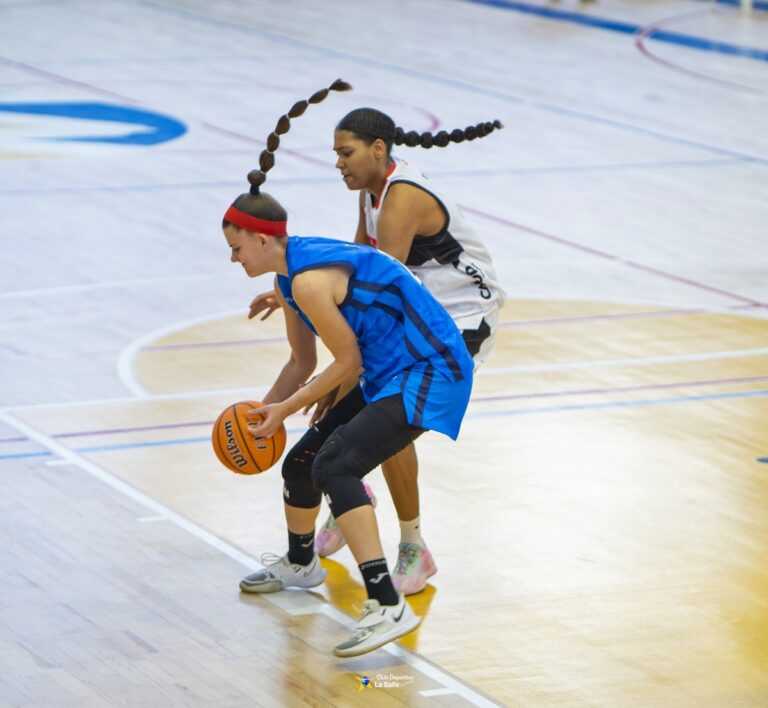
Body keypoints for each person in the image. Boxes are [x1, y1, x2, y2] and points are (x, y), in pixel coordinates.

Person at [227, 81, 474, 657]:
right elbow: (302, 362)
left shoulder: (309, 280)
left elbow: (349, 360)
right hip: (391, 369)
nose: (233, 259)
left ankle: (387, 603)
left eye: (237, 248)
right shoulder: (288, 279)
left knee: (340, 465)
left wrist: (288, 408)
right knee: (302, 462)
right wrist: (264, 412)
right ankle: (300, 563)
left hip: (429, 366)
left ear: (264, 240)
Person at [249, 106, 505, 595]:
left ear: (378, 150)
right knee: (371, 417)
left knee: (389, 417)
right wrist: (286, 289)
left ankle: (410, 544)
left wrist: (344, 379)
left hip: (462, 318)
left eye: (346, 153)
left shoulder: (402, 198)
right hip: (425, 312)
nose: (339, 163)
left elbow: (381, 297)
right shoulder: (373, 192)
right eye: (336, 155)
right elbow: (353, 266)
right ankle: (352, 493)